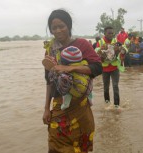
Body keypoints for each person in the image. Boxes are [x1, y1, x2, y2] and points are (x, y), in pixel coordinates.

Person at [42, 9, 102, 153]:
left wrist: (70, 68)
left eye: (61, 26)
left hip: (80, 105)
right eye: (54, 27)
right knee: (55, 146)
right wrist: (46, 109)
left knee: (81, 146)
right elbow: (49, 82)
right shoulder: (50, 50)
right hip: (59, 106)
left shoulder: (82, 44)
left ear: (68, 26)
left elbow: (97, 67)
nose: (58, 30)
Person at [95, 26, 124, 108]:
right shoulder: (100, 42)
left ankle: (116, 106)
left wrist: (119, 50)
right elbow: (96, 52)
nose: (111, 35)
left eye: (112, 33)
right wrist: (101, 50)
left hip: (115, 68)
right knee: (106, 87)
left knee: (115, 86)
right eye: (109, 33)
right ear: (104, 33)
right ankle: (107, 103)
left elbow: (123, 50)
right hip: (104, 69)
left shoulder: (116, 41)